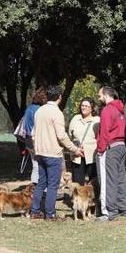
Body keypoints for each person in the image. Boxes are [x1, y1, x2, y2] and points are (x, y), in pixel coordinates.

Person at [30, 85, 84, 220]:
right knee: (53, 185)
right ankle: (50, 214)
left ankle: (34, 211)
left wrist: (37, 149)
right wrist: (74, 149)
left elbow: (33, 135)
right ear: (59, 97)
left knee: (41, 183)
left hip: (40, 153)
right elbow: (61, 136)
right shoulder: (57, 113)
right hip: (53, 154)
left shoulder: (39, 111)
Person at [95, 85, 126, 221]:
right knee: (121, 179)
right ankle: (125, 209)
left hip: (111, 148)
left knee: (107, 180)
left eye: (99, 95)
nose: (99, 98)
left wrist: (100, 149)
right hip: (121, 146)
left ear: (106, 95)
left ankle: (109, 211)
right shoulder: (121, 110)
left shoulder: (107, 110)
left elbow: (104, 132)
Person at [68, 98, 100, 187]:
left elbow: (100, 136)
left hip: (92, 155)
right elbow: (70, 135)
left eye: (86, 106)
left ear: (92, 108)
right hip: (77, 154)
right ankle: (78, 199)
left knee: (94, 180)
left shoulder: (97, 120)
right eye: (82, 105)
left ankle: (94, 198)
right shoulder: (75, 119)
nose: (84, 108)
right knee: (77, 182)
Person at [22, 88, 48, 184]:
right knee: (40, 165)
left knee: (35, 164)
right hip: (36, 140)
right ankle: (40, 188)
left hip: (28, 140)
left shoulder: (29, 108)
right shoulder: (39, 110)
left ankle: (35, 187)